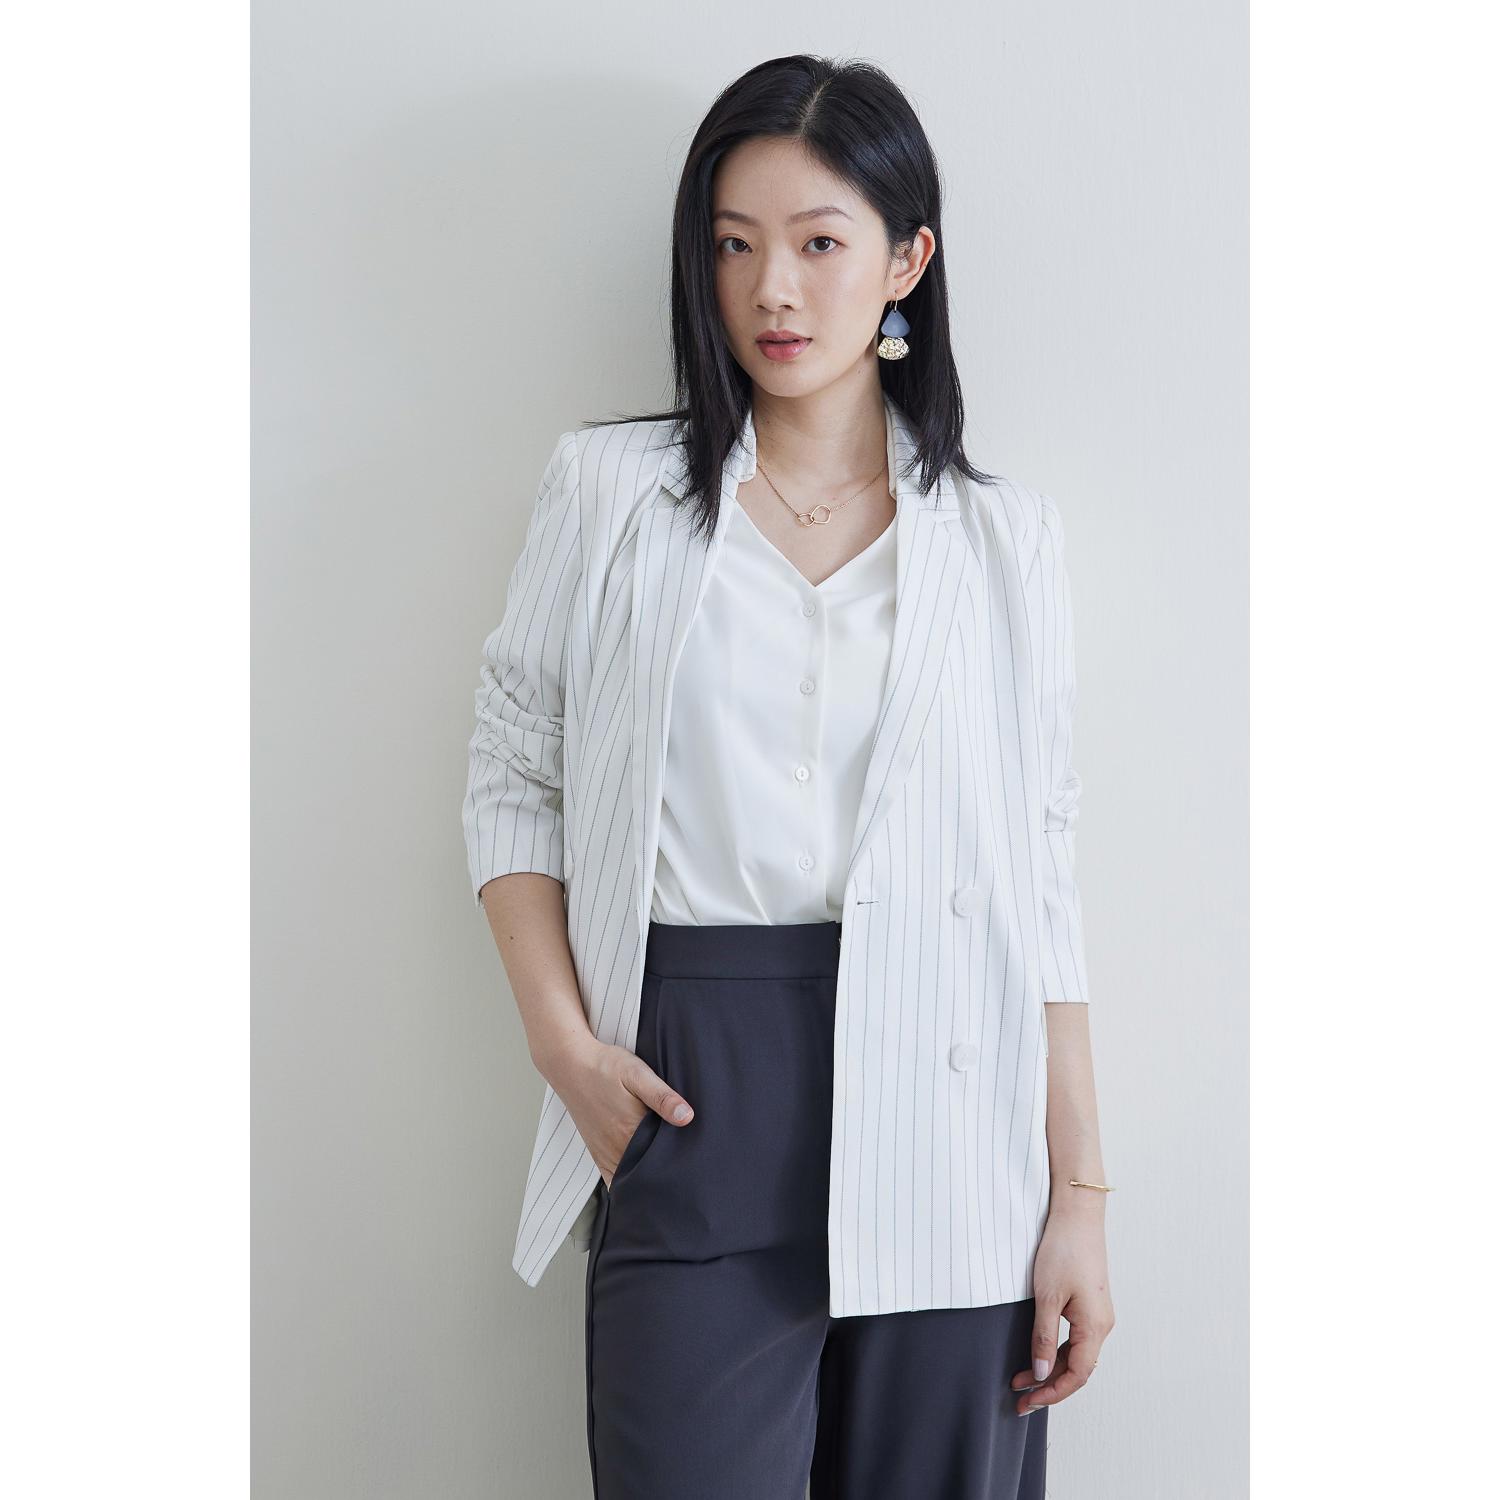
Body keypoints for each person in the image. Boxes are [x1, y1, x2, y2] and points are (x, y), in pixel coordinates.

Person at [461, 53, 1114, 1500]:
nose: (773, 290)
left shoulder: (1005, 544)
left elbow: (1039, 878)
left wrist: (1077, 1197)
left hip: (955, 1110)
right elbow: (514, 776)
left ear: (906, 264)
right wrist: (566, 1050)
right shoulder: (611, 495)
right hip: (694, 1085)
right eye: (735, 244)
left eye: (821, 244)